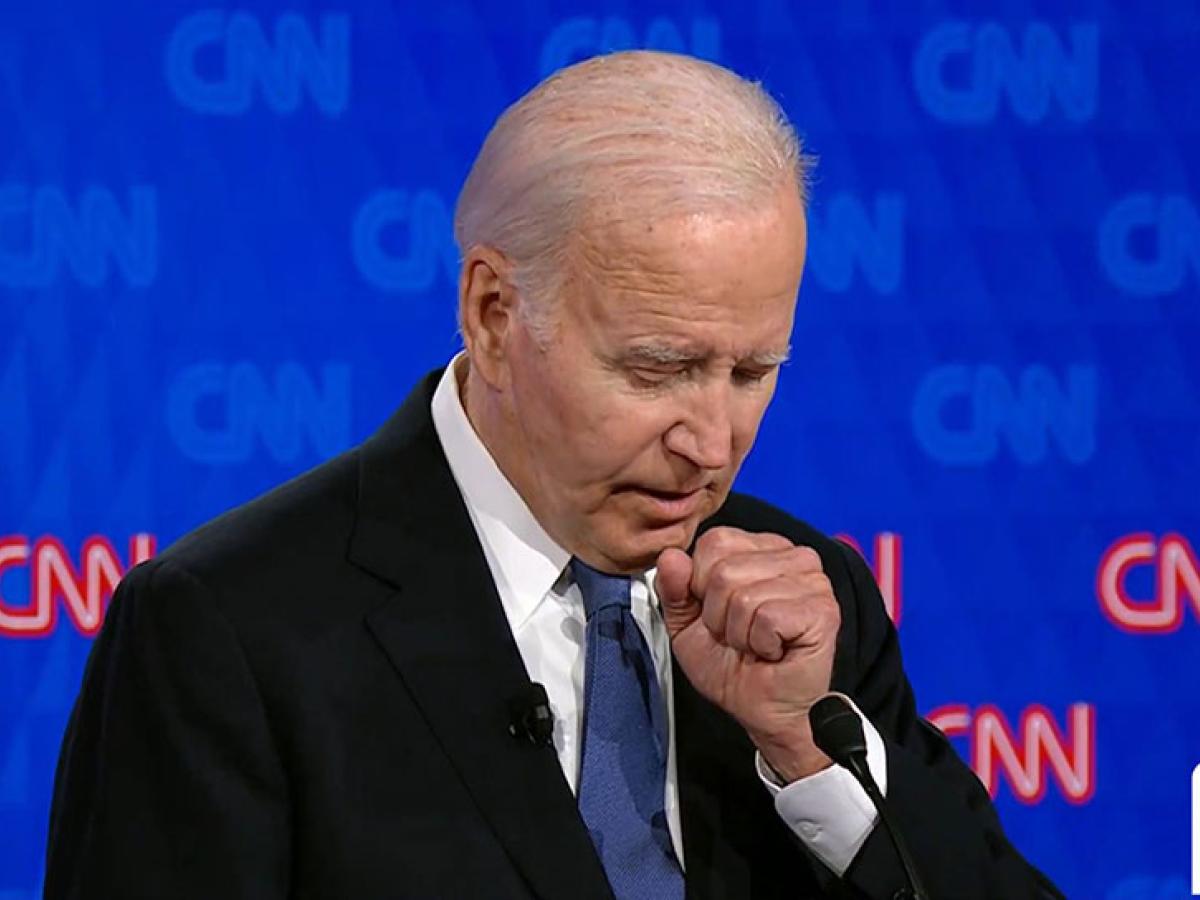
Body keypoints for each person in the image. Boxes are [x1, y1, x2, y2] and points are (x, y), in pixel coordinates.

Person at [45, 50, 1063, 899]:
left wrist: (806, 753)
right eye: (659, 368)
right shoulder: (228, 631)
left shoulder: (808, 605)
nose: (712, 441)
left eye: (753, 372)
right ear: (494, 314)